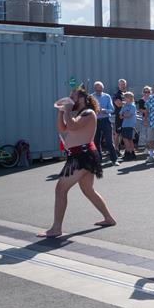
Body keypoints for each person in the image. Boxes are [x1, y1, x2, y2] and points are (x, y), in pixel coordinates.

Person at [38, 87, 116, 237]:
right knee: (88, 190)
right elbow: (63, 128)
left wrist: (67, 109)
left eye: (72, 96)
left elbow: (72, 125)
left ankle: (56, 228)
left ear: (81, 99)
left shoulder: (88, 113)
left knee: (60, 189)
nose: (70, 99)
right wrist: (61, 111)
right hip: (79, 155)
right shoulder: (78, 114)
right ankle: (109, 218)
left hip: (83, 156)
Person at [92, 81, 118, 165]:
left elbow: (112, 109)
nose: (99, 91)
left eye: (100, 89)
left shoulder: (107, 96)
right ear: (94, 88)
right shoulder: (91, 97)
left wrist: (104, 110)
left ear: (103, 88)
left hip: (106, 120)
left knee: (109, 141)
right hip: (95, 121)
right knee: (96, 141)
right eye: (97, 89)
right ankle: (98, 160)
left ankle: (114, 160)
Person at [119, 92, 137, 160]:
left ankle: (130, 153)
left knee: (128, 140)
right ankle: (130, 152)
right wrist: (124, 115)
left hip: (130, 125)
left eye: (126, 97)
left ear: (130, 98)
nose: (124, 99)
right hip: (124, 125)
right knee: (126, 139)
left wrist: (124, 115)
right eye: (124, 98)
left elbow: (129, 115)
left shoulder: (132, 106)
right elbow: (120, 116)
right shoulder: (124, 106)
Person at [112, 78, 127, 152]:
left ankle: (127, 150)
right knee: (117, 133)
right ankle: (116, 149)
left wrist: (124, 103)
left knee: (126, 134)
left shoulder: (128, 93)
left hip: (128, 117)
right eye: (121, 84)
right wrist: (127, 103)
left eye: (124, 84)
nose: (123, 86)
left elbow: (132, 103)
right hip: (119, 117)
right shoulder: (116, 94)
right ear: (118, 85)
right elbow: (118, 104)